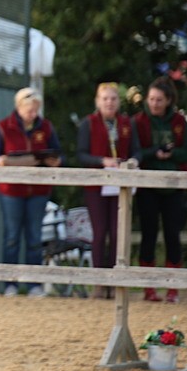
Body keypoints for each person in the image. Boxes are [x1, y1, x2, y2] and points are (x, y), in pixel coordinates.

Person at [0, 87, 62, 298]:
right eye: (29, 109)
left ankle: (33, 284)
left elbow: (59, 154)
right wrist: (0, 160)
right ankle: (9, 284)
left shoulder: (46, 127)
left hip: (38, 189)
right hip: (11, 190)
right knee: (12, 236)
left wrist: (55, 161)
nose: (33, 114)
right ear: (19, 108)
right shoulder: (3, 127)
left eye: (36, 109)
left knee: (34, 237)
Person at [132, 76, 187, 303]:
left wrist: (172, 153)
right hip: (148, 186)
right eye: (151, 99)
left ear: (168, 100)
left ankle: (172, 287)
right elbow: (135, 152)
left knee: (172, 235)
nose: (154, 104)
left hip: (174, 186)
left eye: (159, 100)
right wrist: (153, 152)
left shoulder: (179, 122)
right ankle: (148, 287)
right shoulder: (138, 121)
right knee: (148, 234)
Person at [75, 82, 139, 296]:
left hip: (119, 184)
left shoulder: (126, 123)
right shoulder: (89, 124)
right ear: (98, 101)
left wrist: (131, 162)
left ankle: (115, 280)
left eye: (113, 99)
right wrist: (102, 161)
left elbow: (137, 151)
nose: (109, 102)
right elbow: (81, 154)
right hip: (97, 184)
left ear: (119, 102)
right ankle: (99, 281)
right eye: (105, 99)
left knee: (117, 231)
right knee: (100, 231)